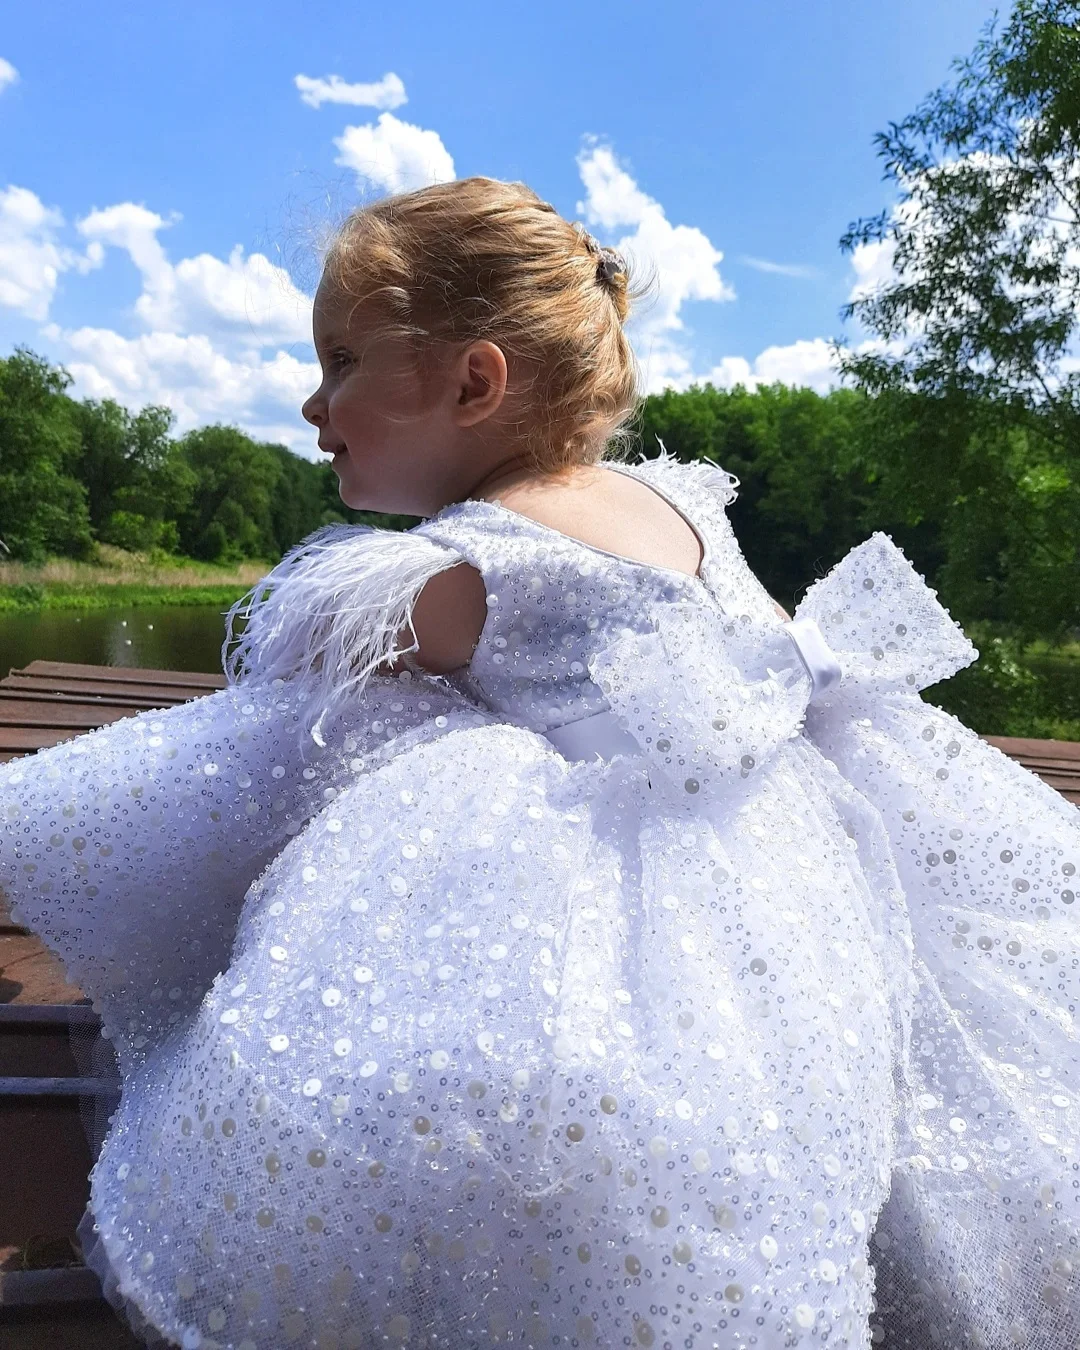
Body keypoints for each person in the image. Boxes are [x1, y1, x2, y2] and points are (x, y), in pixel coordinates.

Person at [1, 176, 1077, 1350]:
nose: (315, 406)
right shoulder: (680, 503)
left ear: (473, 379)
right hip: (802, 918)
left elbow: (281, 682)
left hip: (607, 954)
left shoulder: (460, 568)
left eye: (342, 361)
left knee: (336, 745)